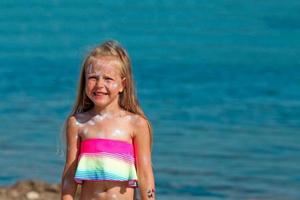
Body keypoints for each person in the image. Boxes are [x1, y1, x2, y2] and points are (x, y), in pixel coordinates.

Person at [60, 40, 155, 200]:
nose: (99, 85)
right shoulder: (77, 123)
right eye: (92, 78)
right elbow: (69, 174)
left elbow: (145, 175)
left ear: (122, 85)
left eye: (108, 79)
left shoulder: (136, 124)